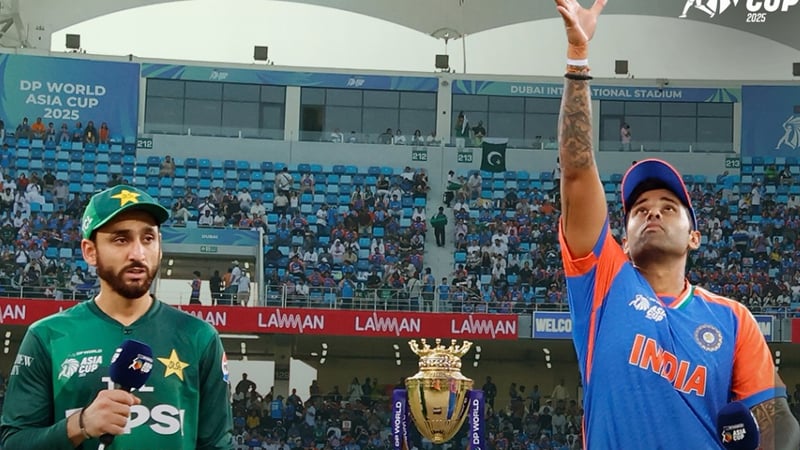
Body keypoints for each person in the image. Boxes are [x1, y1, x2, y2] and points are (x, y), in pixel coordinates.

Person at [553, 1, 800, 449]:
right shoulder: (603, 281)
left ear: (695, 236)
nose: (652, 212)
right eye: (639, 209)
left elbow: (776, 421)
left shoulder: (732, 319)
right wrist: (578, 58)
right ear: (622, 239)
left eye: (669, 207)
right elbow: (575, 169)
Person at [0, 184, 234, 449]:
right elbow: (13, 443)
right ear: (90, 251)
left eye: (148, 238)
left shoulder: (199, 337)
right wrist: (80, 424)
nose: (138, 253)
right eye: (121, 239)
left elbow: (218, 444)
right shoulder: (48, 336)